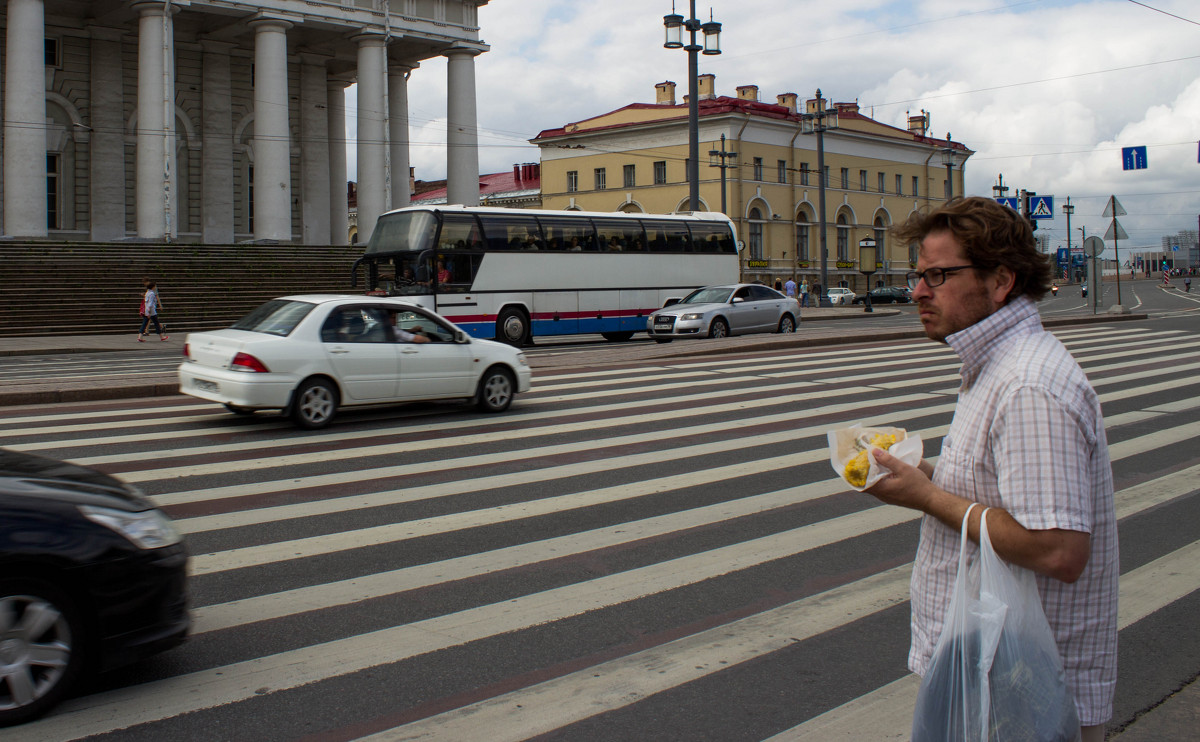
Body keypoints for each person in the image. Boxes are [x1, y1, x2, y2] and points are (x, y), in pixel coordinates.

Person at [864, 197, 1117, 742]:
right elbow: (999, 495)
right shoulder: (997, 367)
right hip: (993, 676)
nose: (918, 292)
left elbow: (1057, 549)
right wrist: (922, 477)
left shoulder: (1028, 385)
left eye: (938, 275)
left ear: (1000, 280)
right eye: (918, 275)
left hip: (1024, 695)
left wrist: (927, 498)